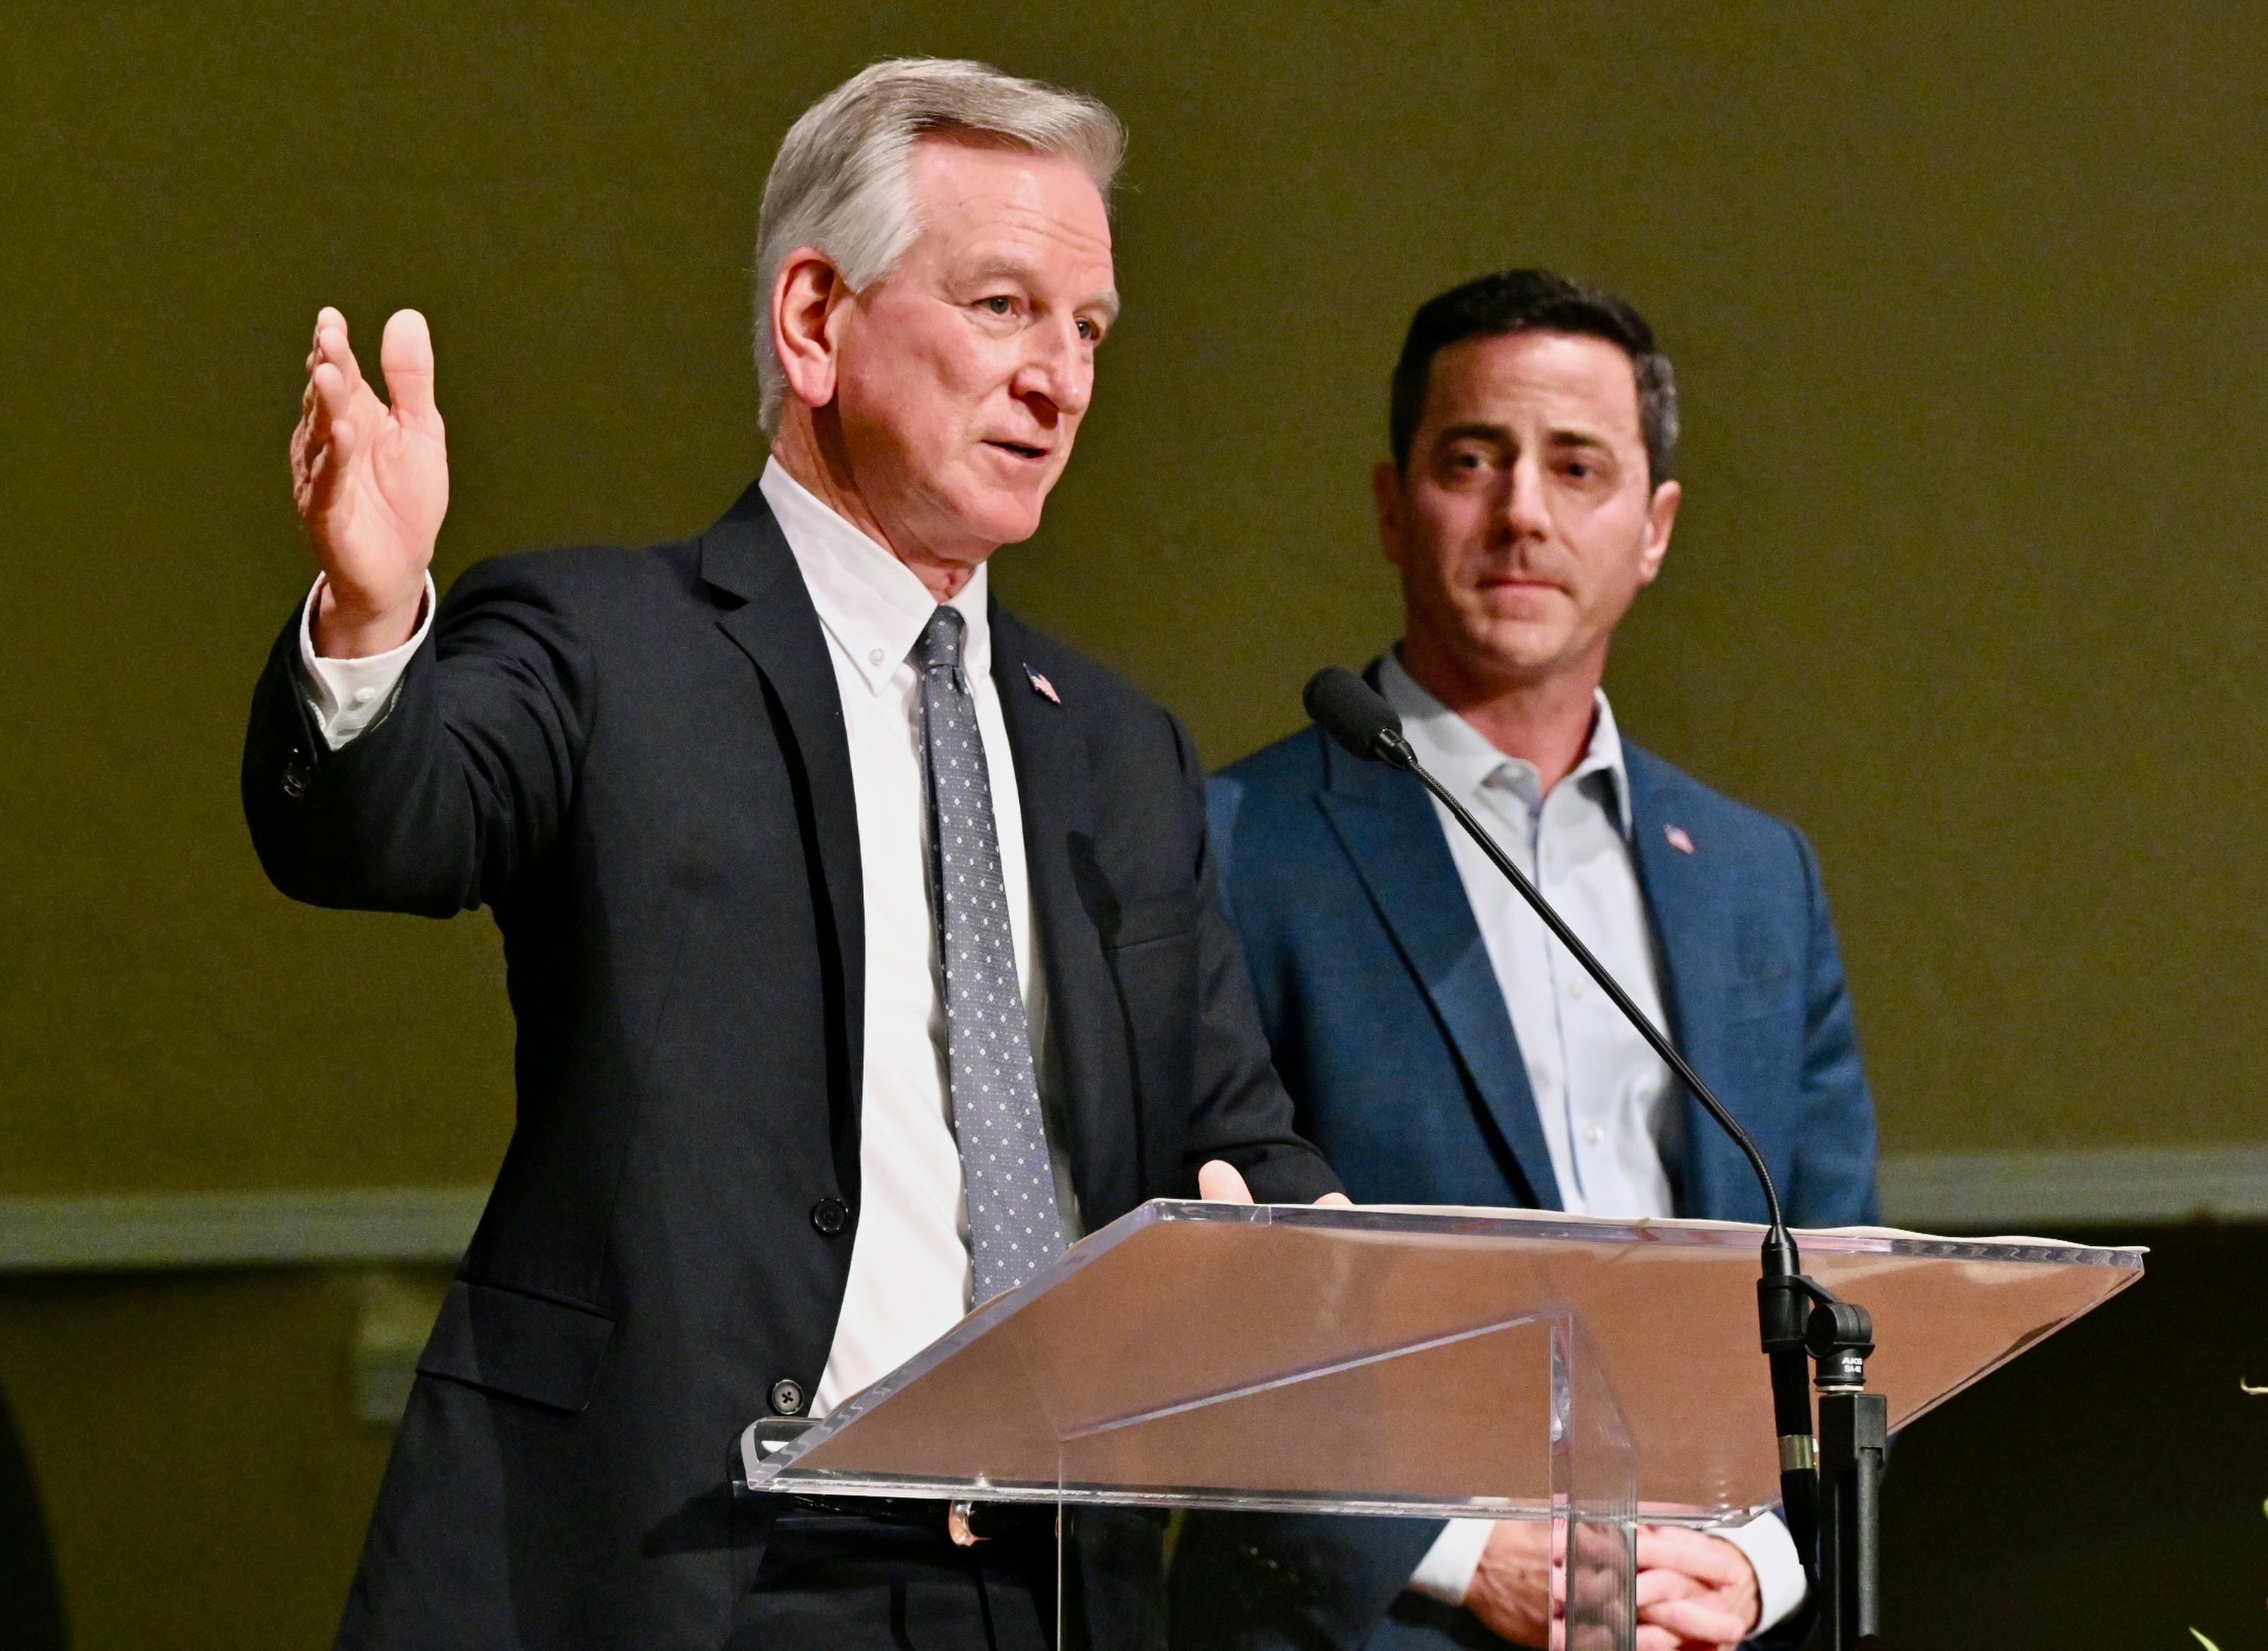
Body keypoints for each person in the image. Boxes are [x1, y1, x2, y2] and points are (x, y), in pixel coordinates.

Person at [243, 58, 1343, 1651]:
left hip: (1045, 1591)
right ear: (814, 320)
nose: (1062, 380)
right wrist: (365, 616)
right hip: (705, 1568)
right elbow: (387, 819)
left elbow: (1232, 1133)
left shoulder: (1115, 748)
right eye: (1003, 306)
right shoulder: (608, 646)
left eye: (1088, 329)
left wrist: (1320, 1268)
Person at [1173, 271, 1879, 1651]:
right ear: (1392, 504)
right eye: (1471, 460)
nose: (1522, 516)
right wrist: (1453, 1553)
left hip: (1698, 1625)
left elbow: (1849, 1297)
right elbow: (1195, 1299)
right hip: (1384, 1626)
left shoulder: (1754, 878)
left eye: (1578, 466)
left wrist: (1758, 1567)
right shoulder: (1228, 847)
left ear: (1656, 526)